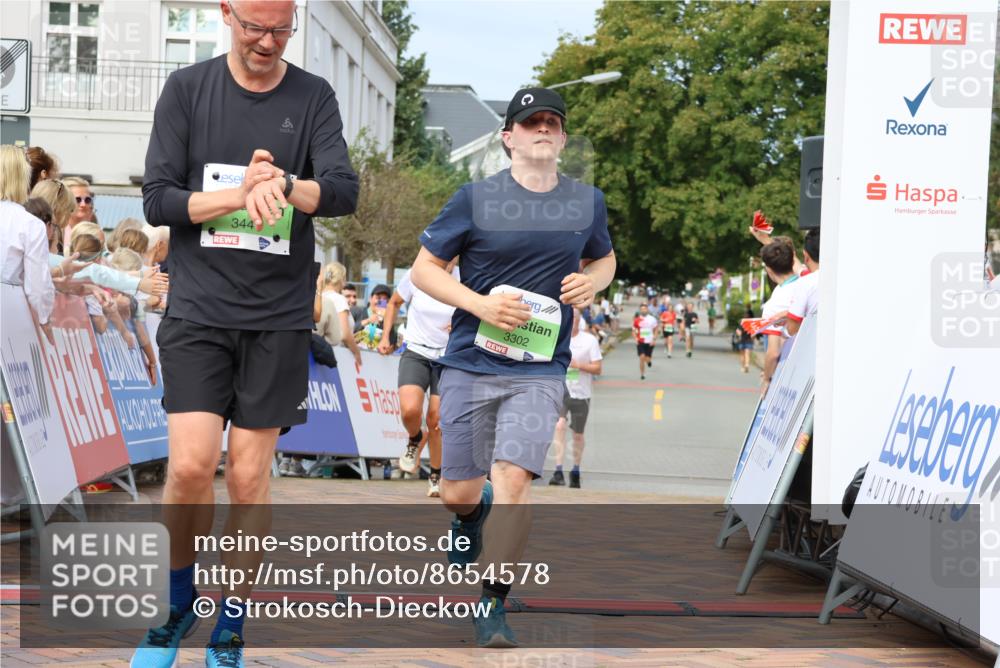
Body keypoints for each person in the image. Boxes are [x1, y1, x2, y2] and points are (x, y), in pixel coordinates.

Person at [135, 1, 359, 666]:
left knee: (251, 480)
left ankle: (230, 624)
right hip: (199, 309)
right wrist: (238, 194)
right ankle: (176, 609)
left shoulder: (313, 97)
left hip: (277, 317)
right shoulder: (188, 89)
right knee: (188, 469)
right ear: (227, 13)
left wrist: (286, 185)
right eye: (255, 25)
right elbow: (158, 201)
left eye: (282, 28)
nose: (267, 41)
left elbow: (344, 190)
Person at [410, 86, 615, 648]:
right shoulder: (473, 198)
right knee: (460, 491)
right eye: (531, 123)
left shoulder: (586, 202)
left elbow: (605, 256)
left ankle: (492, 605)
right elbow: (423, 271)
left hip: (540, 369)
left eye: (552, 122)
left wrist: (592, 280)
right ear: (509, 138)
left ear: (564, 138)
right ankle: (468, 518)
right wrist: (477, 303)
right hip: (471, 361)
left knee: (515, 481)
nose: (542, 129)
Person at [378, 258, 460, 497]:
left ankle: (436, 475)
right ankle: (415, 438)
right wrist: (386, 336)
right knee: (410, 410)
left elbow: (478, 310)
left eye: (455, 255)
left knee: (436, 419)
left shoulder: (466, 277)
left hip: (448, 356)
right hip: (416, 350)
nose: (449, 260)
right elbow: (394, 303)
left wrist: (464, 324)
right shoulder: (418, 272)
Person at [1, 145, 56, 343]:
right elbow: (37, 282)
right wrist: (44, 318)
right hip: (8, 309)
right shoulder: (29, 224)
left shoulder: (29, 223)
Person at [548, 308, 602, 488]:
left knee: (578, 435)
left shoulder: (590, 341)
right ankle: (558, 470)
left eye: (572, 320)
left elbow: (597, 368)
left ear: (578, 321)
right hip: (561, 391)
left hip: (581, 394)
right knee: (559, 425)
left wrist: (578, 365)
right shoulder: (556, 338)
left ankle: (576, 470)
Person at [759, 241, 798, 396]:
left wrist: (767, 378)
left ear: (768, 269)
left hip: (787, 374)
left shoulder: (774, 304)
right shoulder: (809, 284)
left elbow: (773, 352)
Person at [785, 228, 820, 337]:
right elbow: (799, 268)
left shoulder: (805, 283)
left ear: (805, 256)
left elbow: (792, 329)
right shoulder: (842, 278)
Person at [61, 176, 95, 250]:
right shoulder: (54, 233)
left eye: (87, 200)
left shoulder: (95, 233)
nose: (83, 204)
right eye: (77, 200)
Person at [633, 302, 658, 380]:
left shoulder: (652, 319)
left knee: (647, 358)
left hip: (649, 341)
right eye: (642, 309)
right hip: (640, 341)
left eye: (645, 309)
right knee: (642, 357)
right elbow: (634, 331)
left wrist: (654, 339)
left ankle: (649, 361)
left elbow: (656, 329)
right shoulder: (637, 320)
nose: (643, 310)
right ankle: (642, 374)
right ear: (640, 310)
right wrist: (635, 339)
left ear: (647, 310)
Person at [737, 306, 755, 373]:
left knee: (747, 353)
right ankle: (743, 366)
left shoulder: (751, 323)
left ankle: (746, 365)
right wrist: (739, 333)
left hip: (748, 340)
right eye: (745, 314)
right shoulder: (742, 322)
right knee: (743, 354)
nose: (745, 315)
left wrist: (753, 338)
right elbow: (738, 330)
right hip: (742, 340)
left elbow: (754, 332)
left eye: (746, 314)